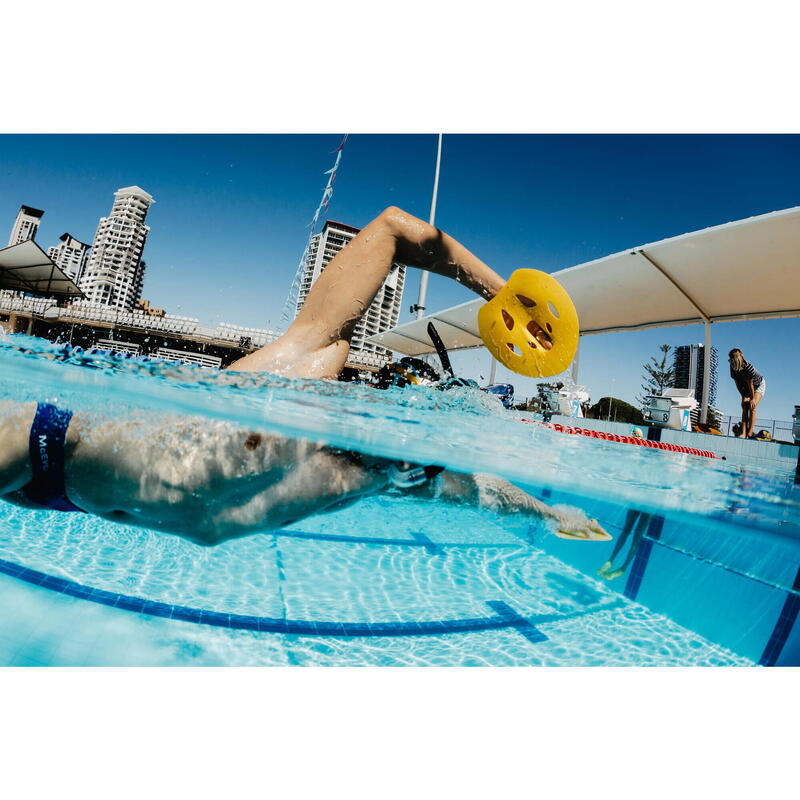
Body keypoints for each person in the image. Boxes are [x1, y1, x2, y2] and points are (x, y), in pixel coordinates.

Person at [0, 206, 608, 546]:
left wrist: (548, 513)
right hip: (44, 446)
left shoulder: (378, 469)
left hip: (70, 489)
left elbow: (475, 490)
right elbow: (395, 228)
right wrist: (509, 297)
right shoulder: (300, 367)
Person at [728, 348, 765, 439]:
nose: (729, 361)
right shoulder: (732, 367)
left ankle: (750, 432)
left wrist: (752, 399)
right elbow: (737, 384)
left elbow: (751, 385)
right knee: (744, 406)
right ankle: (743, 433)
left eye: (731, 359)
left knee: (752, 406)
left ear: (736, 359)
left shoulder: (748, 367)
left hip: (758, 385)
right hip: (746, 386)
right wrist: (743, 396)